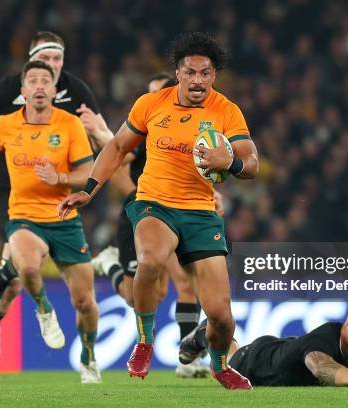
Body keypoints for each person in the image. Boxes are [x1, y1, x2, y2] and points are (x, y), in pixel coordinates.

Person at [58, 32, 259, 390]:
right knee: (150, 260)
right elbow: (118, 147)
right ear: (178, 73)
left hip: (200, 211)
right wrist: (88, 190)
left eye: (206, 73)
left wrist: (230, 161)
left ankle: (219, 365)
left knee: (221, 316)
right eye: (190, 72)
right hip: (154, 202)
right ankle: (145, 342)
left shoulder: (226, 110)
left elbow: (252, 162)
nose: (198, 80)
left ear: (214, 76)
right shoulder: (151, 104)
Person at [0, 31, 126, 381]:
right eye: (42, 63)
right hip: (12, 192)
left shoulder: (77, 97)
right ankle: (14, 296)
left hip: (61, 197)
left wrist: (98, 136)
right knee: (24, 268)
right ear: (24, 83)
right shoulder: (6, 97)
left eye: (57, 61)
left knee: (80, 300)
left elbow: (109, 148)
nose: (50, 69)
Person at [0, 60, 101, 384]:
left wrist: (60, 177)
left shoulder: (69, 125)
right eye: (33, 81)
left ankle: (89, 358)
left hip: (64, 218)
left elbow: (88, 172)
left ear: (54, 91)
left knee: (86, 302)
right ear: (22, 91)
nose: (39, 86)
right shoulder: (4, 125)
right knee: (26, 266)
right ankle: (44, 310)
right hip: (24, 215)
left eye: (46, 81)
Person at [87, 72, 218, 378]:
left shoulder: (190, 131)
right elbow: (118, 153)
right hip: (144, 215)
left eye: (159, 91)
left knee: (186, 285)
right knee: (142, 296)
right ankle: (110, 264)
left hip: (178, 214)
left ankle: (188, 363)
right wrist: (101, 133)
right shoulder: (146, 136)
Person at [180, 295, 348, 387]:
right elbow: (321, 367)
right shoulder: (323, 342)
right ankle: (202, 334)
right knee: (227, 356)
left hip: (284, 348)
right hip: (258, 362)